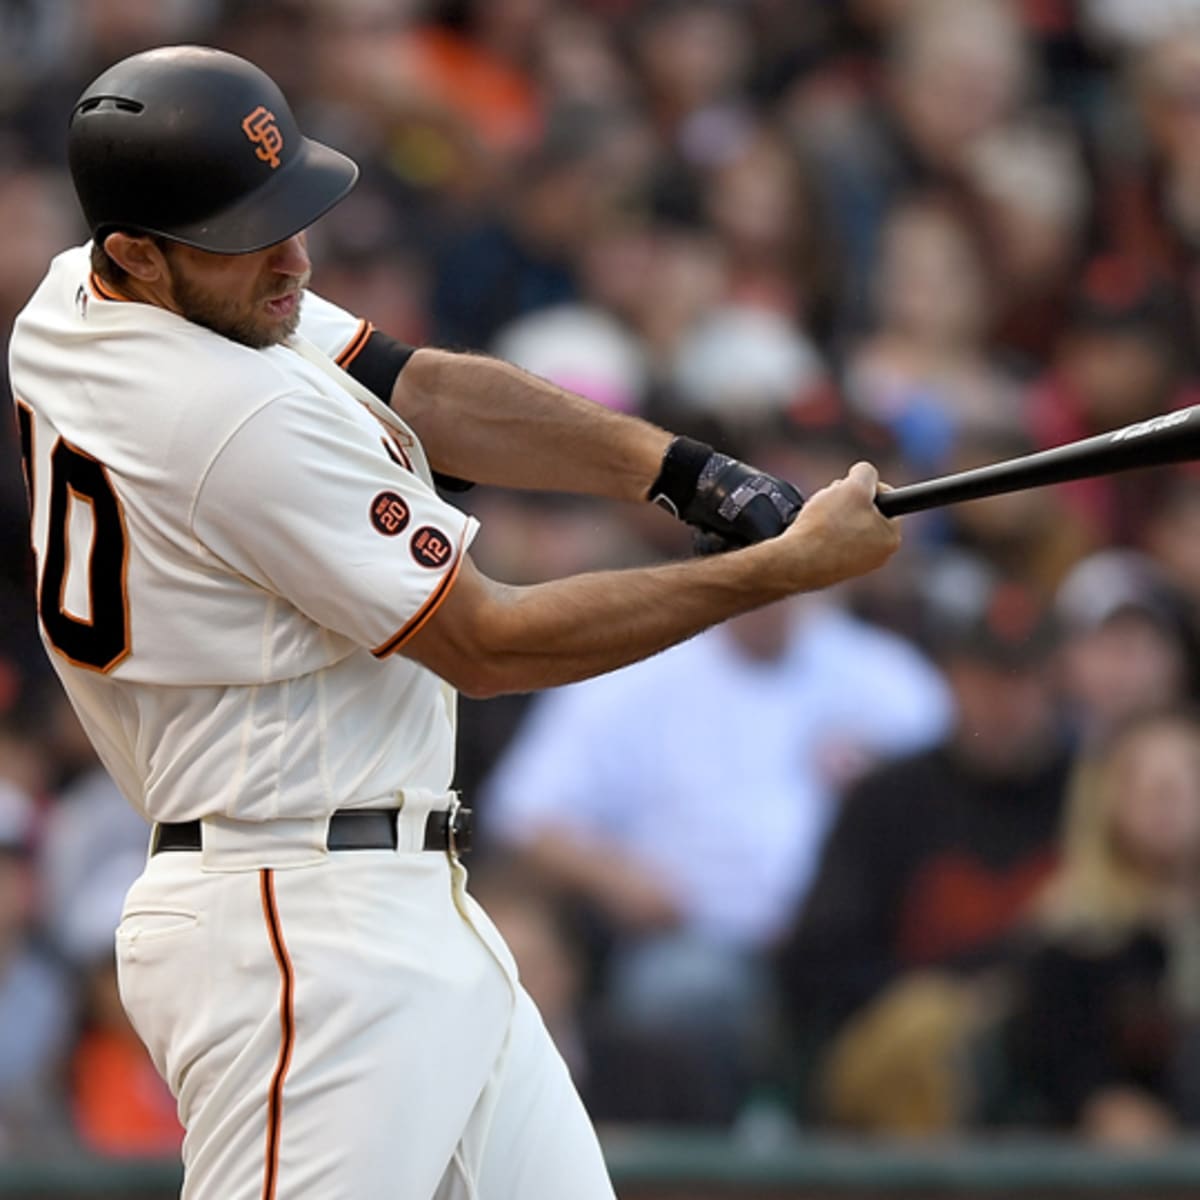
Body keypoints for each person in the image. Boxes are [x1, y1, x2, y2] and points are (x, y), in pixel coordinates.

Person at [6, 46, 900, 1200]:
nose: (294, 258)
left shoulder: (79, 299)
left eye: (291, 216)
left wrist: (682, 472)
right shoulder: (233, 416)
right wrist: (776, 574)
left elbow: (410, 381)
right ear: (138, 251)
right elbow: (490, 642)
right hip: (301, 930)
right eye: (250, 236)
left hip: (391, 901)